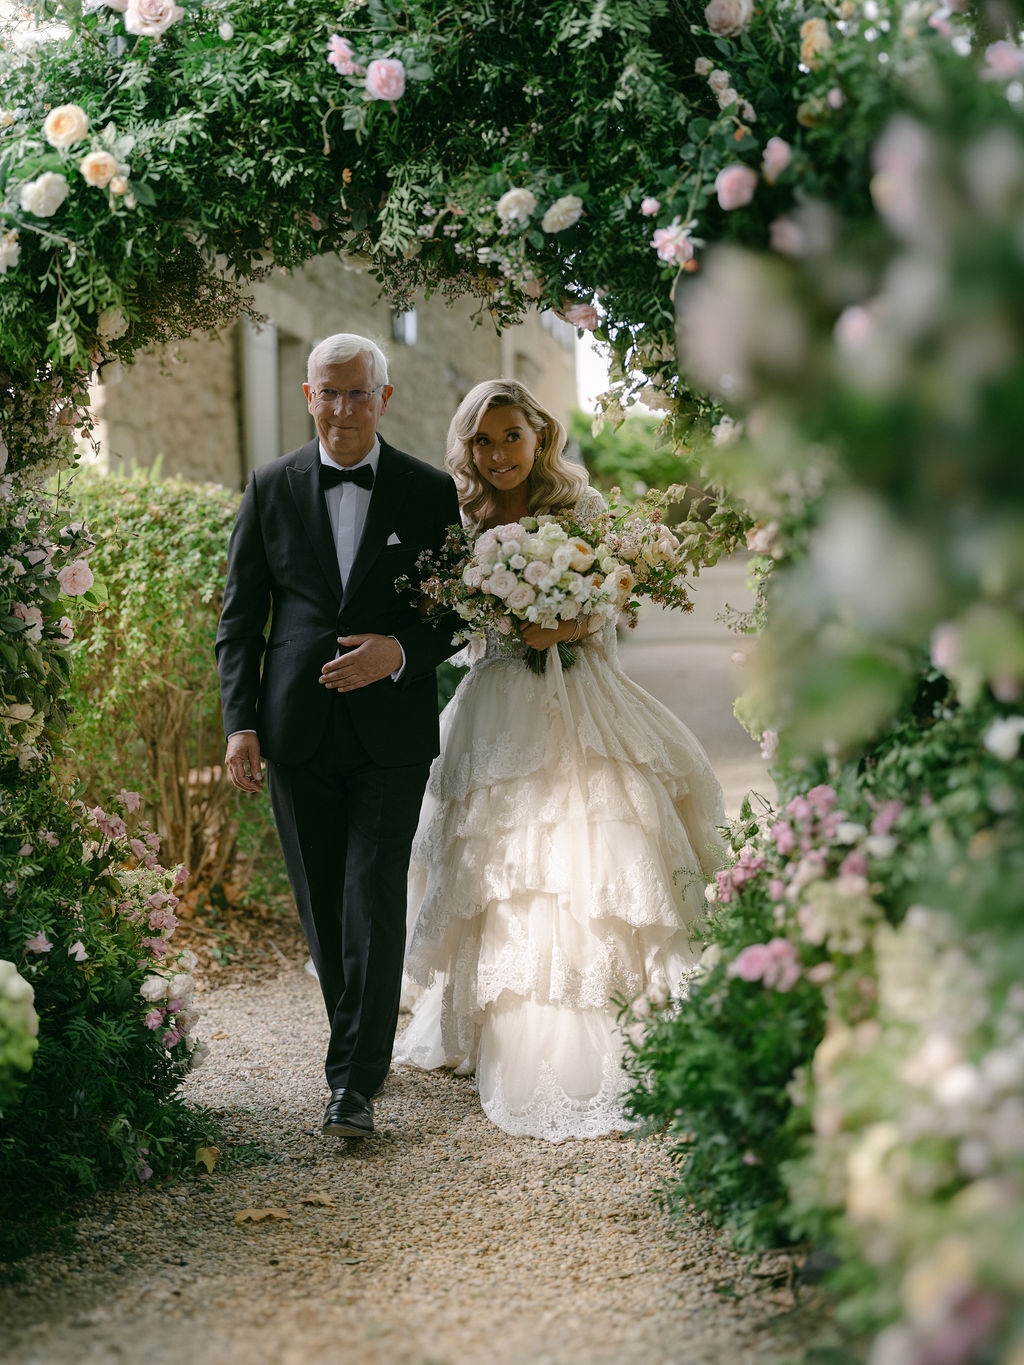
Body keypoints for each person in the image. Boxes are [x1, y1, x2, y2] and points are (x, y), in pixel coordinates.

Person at [393, 379, 727, 1141]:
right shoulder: (463, 517)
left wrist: (565, 624)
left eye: (511, 436)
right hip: (497, 700)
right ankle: (500, 1022)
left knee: (599, 837)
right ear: (468, 449)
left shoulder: (581, 506)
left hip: (583, 694)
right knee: (501, 861)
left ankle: (620, 1008)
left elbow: (614, 598)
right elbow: (453, 617)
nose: (498, 454)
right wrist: (505, 618)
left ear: (539, 435)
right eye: (483, 441)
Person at [216, 333, 460, 1140]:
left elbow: (457, 613)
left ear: (384, 398)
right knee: (323, 906)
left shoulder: (428, 490)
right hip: (296, 730)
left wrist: (399, 652)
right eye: (330, 391)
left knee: (372, 898)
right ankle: (362, 1051)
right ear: (308, 396)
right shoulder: (269, 486)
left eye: (359, 393)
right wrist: (241, 722)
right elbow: (240, 621)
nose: (343, 408)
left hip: (391, 733)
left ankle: (350, 1081)